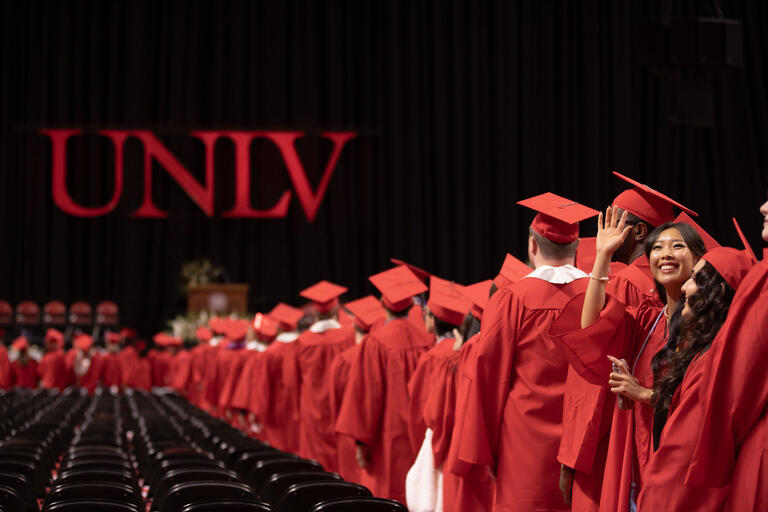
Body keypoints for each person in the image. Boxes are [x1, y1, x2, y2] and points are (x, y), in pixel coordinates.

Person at [547, 209, 706, 512]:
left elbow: (704, 399)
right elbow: (591, 323)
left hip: (680, 460)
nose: (665, 254)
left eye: (677, 246)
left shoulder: (707, 326)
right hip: (638, 454)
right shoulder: (647, 319)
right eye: (657, 248)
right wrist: (603, 257)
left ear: (698, 259)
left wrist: (643, 394)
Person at [454, 192, 597, 511]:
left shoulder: (511, 299)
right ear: (577, 249)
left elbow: (488, 379)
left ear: (532, 246)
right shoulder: (599, 296)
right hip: (587, 444)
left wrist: (486, 449)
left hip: (524, 445)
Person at [643, 197, 768, 511]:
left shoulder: (714, 359)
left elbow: (692, 448)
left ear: (717, 291)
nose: (686, 287)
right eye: (656, 248)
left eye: (697, 279)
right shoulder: (692, 344)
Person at [335, 265, 433, 504]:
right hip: (421, 435)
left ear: (381, 301)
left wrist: (361, 443)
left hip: (387, 438)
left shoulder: (375, 342)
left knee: (387, 497)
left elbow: (367, 396)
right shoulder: (427, 340)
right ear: (411, 304)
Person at [283, 280, 354, 471]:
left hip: (311, 409)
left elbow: (291, 381)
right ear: (336, 310)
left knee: (315, 463)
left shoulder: (301, 342)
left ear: (314, 312)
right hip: (341, 407)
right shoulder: (349, 336)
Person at [328, 295, 386, 483]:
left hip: (352, 436)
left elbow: (335, 402)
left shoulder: (344, 359)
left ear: (354, 327)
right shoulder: (388, 351)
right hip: (384, 438)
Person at [248, 302, 305, 452]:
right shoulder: (305, 347)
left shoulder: (269, 353)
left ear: (278, 327)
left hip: (277, 410)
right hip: (301, 408)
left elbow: (262, 385)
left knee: (279, 452)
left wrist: (257, 411)